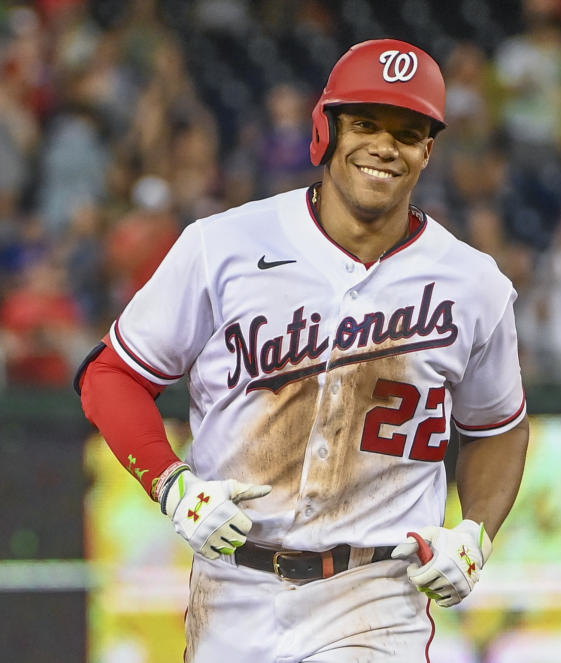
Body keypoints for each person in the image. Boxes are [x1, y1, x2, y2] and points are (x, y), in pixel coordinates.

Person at [75, 38, 530, 662]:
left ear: (428, 149)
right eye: (365, 123)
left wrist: (475, 533)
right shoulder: (225, 245)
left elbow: (498, 425)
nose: (382, 147)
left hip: (376, 595)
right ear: (326, 130)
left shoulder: (474, 284)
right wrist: (171, 485)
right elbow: (111, 376)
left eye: (406, 131)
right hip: (233, 586)